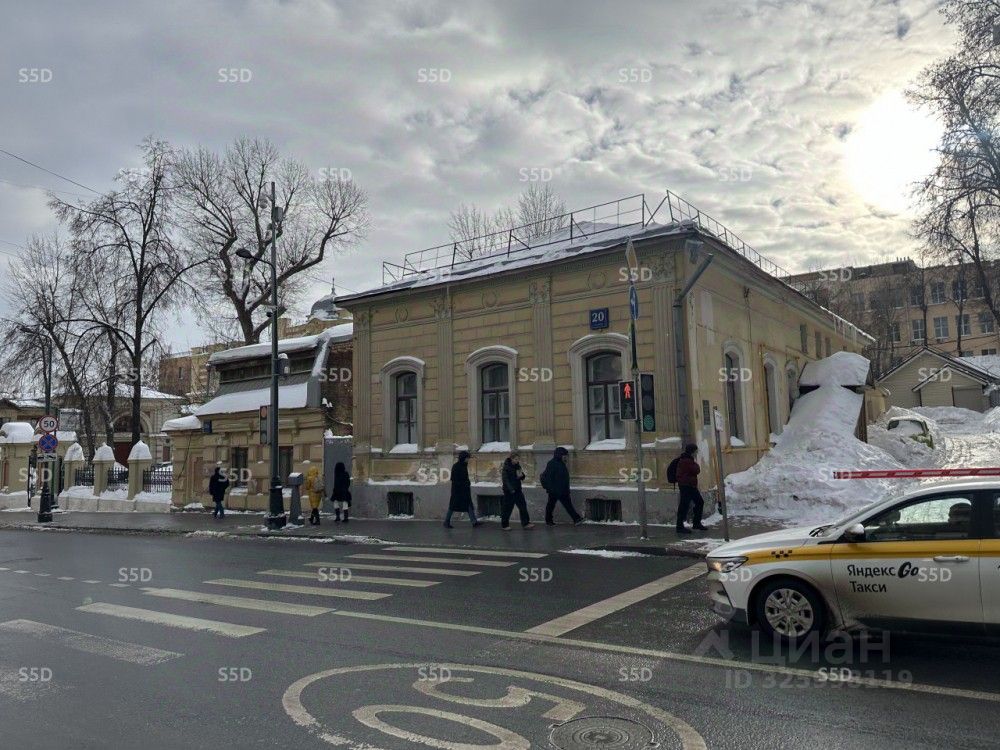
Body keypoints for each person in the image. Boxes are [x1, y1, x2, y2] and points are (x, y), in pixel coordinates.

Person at [540, 446, 583, 525]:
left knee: (564, 505)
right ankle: (549, 520)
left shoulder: (561, 463)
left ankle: (576, 519)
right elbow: (549, 477)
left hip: (562, 489)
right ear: (559, 455)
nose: (566, 457)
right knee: (552, 505)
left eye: (566, 455)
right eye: (564, 455)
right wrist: (552, 489)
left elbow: (563, 477)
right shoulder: (552, 463)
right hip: (555, 490)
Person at [676, 443, 707, 534]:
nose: (696, 453)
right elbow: (696, 470)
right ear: (692, 452)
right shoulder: (687, 460)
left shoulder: (686, 459)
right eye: (695, 451)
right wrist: (695, 464)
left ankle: (696, 523)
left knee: (699, 502)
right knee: (684, 505)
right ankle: (680, 526)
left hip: (689, 485)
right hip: (687, 486)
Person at [445, 451, 481, 528]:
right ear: (463, 458)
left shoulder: (463, 465)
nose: (468, 459)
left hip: (464, 490)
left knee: (468, 505)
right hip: (458, 491)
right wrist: (464, 484)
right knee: (452, 506)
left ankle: (474, 522)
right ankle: (446, 522)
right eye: (467, 458)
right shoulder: (456, 466)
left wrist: (467, 483)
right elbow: (454, 479)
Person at [500, 451, 534, 530]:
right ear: (511, 459)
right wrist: (511, 489)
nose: (517, 461)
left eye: (518, 459)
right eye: (516, 459)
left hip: (518, 490)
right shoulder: (506, 467)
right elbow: (505, 480)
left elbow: (522, 476)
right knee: (508, 508)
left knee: (523, 506)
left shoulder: (517, 466)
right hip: (509, 492)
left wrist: (522, 476)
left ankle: (525, 523)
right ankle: (504, 525)